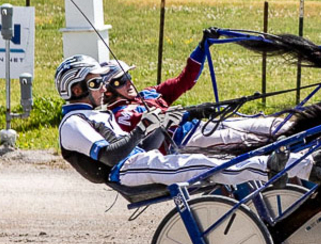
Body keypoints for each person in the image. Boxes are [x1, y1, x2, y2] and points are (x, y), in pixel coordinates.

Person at [55, 55, 317, 189]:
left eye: (102, 81)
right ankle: (293, 167)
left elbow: (142, 146)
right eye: (95, 83)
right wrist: (143, 128)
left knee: (213, 163)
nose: (102, 88)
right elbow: (111, 157)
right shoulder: (73, 124)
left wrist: (166, 121)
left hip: (142, 161)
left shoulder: (98, 115)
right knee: (205, 166)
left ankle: (308, 163)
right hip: (127, 171)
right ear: (76, 90)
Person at [102, 30, 288, 155]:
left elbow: (184, 81)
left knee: (271, 125)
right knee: (259, 140)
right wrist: (190, 113)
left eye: (129, 76)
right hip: (184, 141)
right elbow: (151, 121)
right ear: (109, 93)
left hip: (202, 128)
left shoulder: (148, 94)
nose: (130, 82)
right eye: (122, 80)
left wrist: (202, 47)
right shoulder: (120, 116)